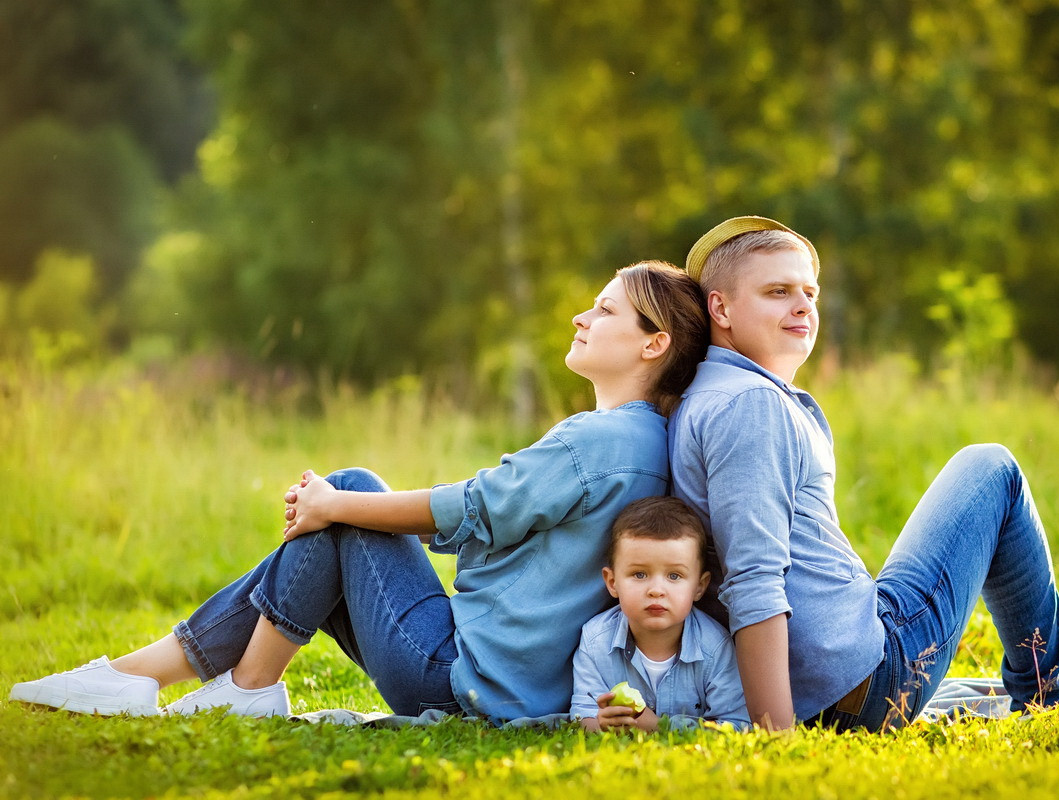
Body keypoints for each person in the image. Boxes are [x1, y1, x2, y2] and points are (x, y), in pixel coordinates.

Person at [9, 260, 710, 724]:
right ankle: (174, 679)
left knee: (348, 492)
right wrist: (340, 511)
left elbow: (471, 508)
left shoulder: (599, 442)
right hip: (504, 678)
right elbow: (488, 516)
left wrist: (335, 505)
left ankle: (213, 685)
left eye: (604, 311)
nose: (581, 318)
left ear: (653, 345)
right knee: (343, 511)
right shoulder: (646, 442)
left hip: (461, 679)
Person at [669, 216, 1059, 732]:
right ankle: (1047, 699)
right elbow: (752, 576)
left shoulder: (707, 394)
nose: (803, 306)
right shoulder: (749, 404)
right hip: (860, 683)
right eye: (777, 291)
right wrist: (775, 730)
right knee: (991, 467)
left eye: (809, 293)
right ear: (721, 308)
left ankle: (992, 693)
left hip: (832, 672)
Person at [570, 496, 748, 732]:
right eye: (639, 574)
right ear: (612, 582)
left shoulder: (715, 647)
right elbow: (581, 716)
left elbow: (736, 726)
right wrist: (602, 725)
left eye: (674, 576)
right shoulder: (596, 641)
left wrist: (660, 727)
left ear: (699, 587)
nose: (656, 590)